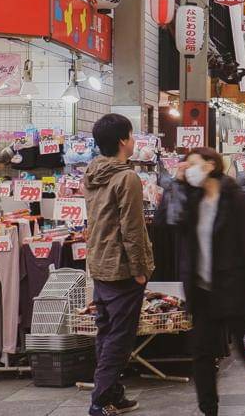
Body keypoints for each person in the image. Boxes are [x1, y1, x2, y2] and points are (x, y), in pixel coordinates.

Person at [168, 148, 245, 416]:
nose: (188, 168)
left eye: (192, 163)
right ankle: (209, 410)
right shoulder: (192, 200)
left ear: (210, 165)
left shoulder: (236, 200)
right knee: (202, 354)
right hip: (202, 291)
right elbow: (167, 219)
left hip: (235, 289)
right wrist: (176, 182)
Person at [84, 114, 154, 416]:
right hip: (122, 268)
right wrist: (140, 269)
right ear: (123, 141)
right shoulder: (126, 178)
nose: (134, 139)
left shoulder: (93, 172)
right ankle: (99, 400)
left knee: (106, 330)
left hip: (99, 262)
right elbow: (132, 229)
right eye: (132, 134)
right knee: (119, 338)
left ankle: (113, 394)